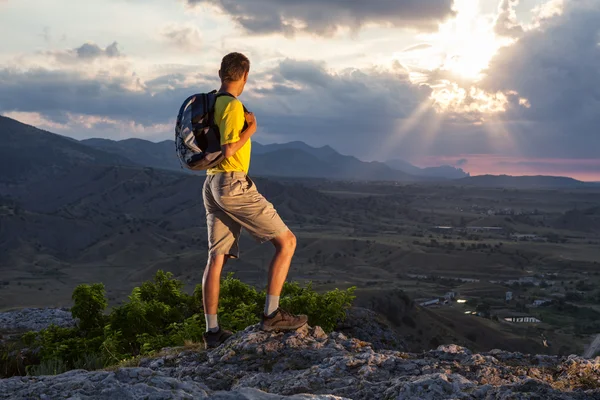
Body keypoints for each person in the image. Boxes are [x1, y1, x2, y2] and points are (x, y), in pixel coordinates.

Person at [202, 52, 308, 349]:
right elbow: (227, 148)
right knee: (287, 242)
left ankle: (212, 333)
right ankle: (272, 314)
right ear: (244, 76)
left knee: (215, 258)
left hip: (211, 183)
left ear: (220, 72)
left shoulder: (212, 102)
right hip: (232, 182)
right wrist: (251, 129)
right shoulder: (233, 106)